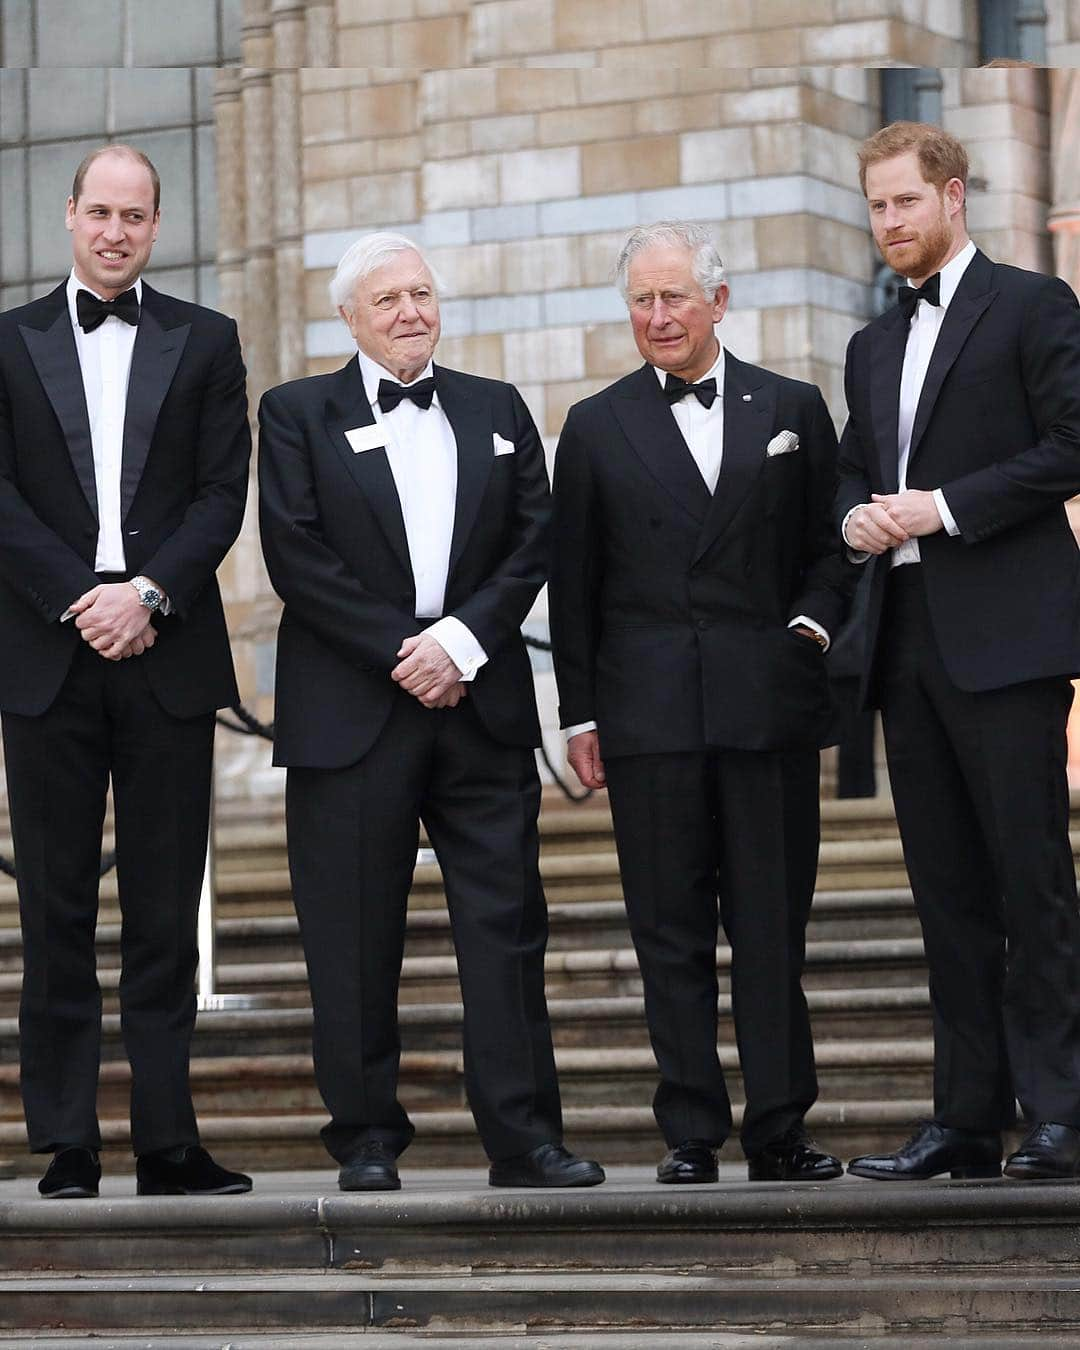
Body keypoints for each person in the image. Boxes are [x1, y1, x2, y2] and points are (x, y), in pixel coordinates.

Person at [257, 232, 604, 1193]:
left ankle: (525, 1139)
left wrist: (461, 643)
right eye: (387, 300)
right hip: (352, 714)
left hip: (479, 707)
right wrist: (403, 651)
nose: (410, 312)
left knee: (506, 927)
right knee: (350, 935)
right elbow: (295, 555)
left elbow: (533, 539)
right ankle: (366, 1138)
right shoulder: (294, 414)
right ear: (349, 318)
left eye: (421, 293)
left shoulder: (496, 408)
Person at [548, 221, 850, 1184]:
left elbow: (828, 551)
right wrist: (581, 714)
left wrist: (808, 630)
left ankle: (779, 1128)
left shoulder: (793, 405)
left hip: (765, 711)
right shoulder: (594, 425)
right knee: (667, 930)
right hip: (648, 721)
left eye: (675, 295)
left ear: (719, 300)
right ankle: (689, 1130)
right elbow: (575, 585)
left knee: (771, 926)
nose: (658, 315)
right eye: (641, 299)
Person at [0, 145, 252, 1198]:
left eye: (134, 216)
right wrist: (84, 598)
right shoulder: (5, 344)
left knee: (162, 911)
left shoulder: (207, 340)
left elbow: (220, 494)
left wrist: (144, 595)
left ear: (156, 225)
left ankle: (167, 1140)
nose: (115, 231)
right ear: (69, 217)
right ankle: (66, 1141)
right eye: (99, 212)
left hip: (167, 649)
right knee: (55, 912)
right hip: (48, 653)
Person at [838, 121, 1080, 1182]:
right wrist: (853, 517)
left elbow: (1074, 444)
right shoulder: (869, 343)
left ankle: (1063, 1110)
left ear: (953, 197)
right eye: (877, 206)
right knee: (946, 896)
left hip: (1011, 644)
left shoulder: (1034, 306)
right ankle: (966, 1118)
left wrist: (946, 507)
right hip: (906, 651)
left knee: (1033, 886)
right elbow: (856, 470)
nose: (890, 223)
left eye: (904, 202)